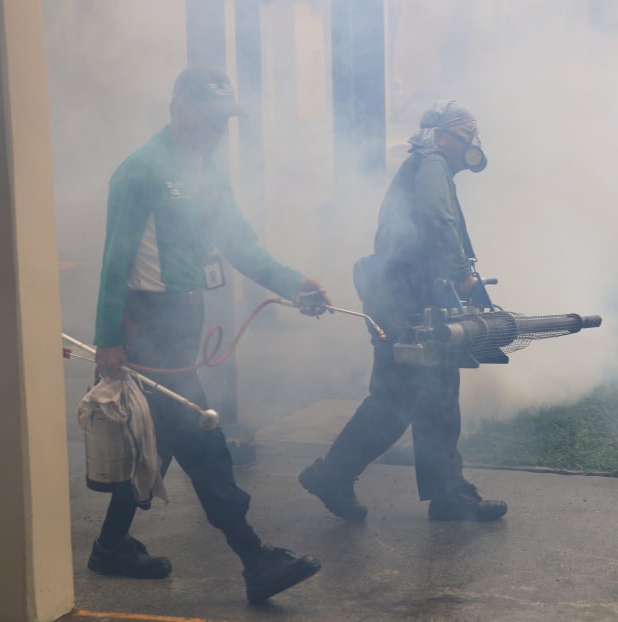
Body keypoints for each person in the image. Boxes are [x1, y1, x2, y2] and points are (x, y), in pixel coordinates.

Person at [89, 66, 330, 604]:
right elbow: (114, 261)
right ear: (181, 107)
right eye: (211, 116)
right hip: (147, 325)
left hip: (184, 321)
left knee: (162, 439)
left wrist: (294, 284)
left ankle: (110, 546)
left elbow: (240, 243)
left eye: (226, 118)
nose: (219, 127)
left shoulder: (209, 169)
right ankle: (254, 558)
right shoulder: (140, 170)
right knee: (202, 440)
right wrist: (108, 340)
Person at [298, 100, 508, 523]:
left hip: (411, 299)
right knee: (397, 400)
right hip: (404, 303)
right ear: (442, 135)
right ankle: (332, 475)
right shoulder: (431, 163)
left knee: (437, 399)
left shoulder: (432, 166)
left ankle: (447, 494)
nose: (472, 141)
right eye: (465, 132)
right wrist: (460, 273)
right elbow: (438, 218)